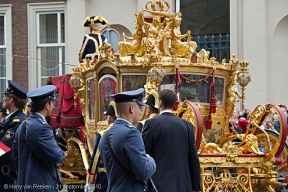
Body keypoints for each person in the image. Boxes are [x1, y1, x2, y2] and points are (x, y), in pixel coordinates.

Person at [142, 89, 201, 192]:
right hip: (183, 185)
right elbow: (193, 157)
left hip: (159, 184)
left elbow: (144, 154)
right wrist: (196, 186)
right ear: (174, 104)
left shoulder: (151, 124)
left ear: (160, 103)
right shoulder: (187, 126)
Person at [99, 88, 156, 191]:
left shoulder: (105, 135)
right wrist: (150, 159)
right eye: (140, 108)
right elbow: (144, 172)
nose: (140, 112)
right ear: (132, 108)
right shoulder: (131, 133)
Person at [14, 85, 65, 192]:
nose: (53, 106)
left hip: (24, 184)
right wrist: (63, 153)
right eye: (52, 103)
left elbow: (15, 156)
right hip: (41, 185)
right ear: (47, 105)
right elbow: (58, 156)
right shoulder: (42, 127)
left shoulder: (23, 125)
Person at [0, 80, 27, 191]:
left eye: (5, 96)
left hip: (6, 176)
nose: (3, 99)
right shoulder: (9, 118)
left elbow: (4, 149)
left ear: (11, 100)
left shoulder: (18, 121)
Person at [85, 101, 117, 192]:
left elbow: (95, 159)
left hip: (104, 177)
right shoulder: (127, 133)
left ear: (110, 118)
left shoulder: (102, 134)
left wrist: (90, 180)